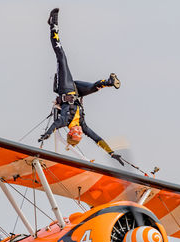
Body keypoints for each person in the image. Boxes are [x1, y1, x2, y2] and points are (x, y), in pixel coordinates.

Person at [38, 8, 124, 166]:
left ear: (70, 133)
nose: (79, 132)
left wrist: (47, 134)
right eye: (79, 135)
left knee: (61, 57)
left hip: (65, 88)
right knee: (95, 87)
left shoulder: (66, 120)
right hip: (77, 91)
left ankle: (53, 25)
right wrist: (111, 153)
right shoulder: (83, 124)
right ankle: (109, 82)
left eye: (75, 134)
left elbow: (56, 125)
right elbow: (97, 138)